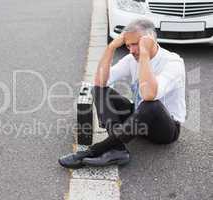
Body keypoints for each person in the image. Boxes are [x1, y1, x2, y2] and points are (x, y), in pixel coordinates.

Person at [58, 19, 186, 169]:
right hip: (139, 120)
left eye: (136, 44)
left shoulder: (173, 63)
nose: (131, 50)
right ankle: (117, 150)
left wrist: (144, 53)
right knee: (98, 90)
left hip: (165, 129)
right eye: (128, 45)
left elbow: (149, 95)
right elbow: (100, 81)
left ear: (150, 39)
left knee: (151, 105)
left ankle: (94, 151)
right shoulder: (132, 59)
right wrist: (111, 47)